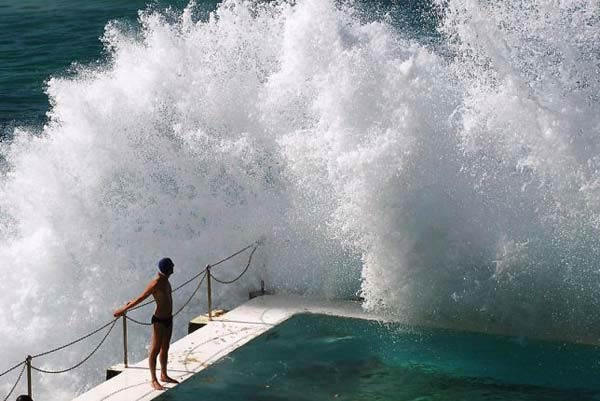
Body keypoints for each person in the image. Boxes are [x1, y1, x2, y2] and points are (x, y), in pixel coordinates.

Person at [113, 257, 179, 390]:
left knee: (165, 347)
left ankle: (164, 374)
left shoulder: (166, 281)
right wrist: (123, 309)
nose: (173, 268)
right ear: (167, 268)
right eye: (172, 266)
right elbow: (140, 298)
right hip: (159, 320)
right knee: (155, 349)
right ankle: (154, 379)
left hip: (168, 319)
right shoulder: (156, 283)